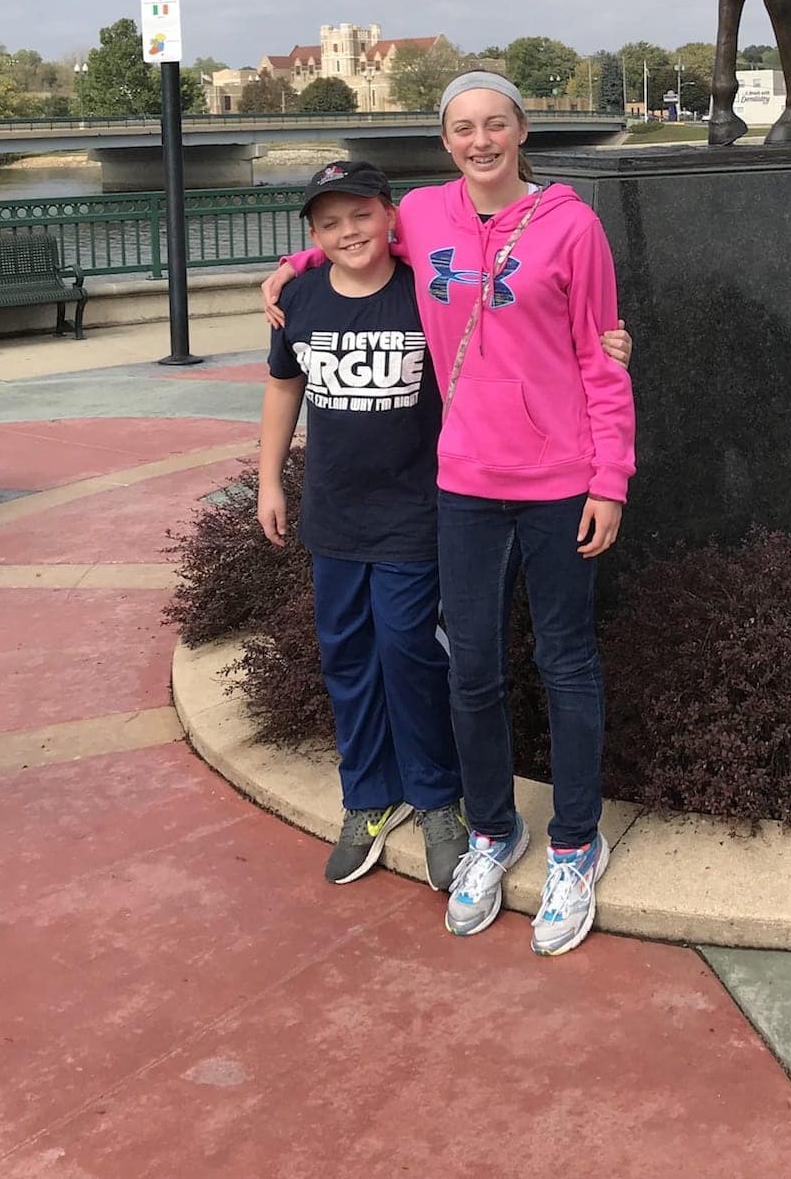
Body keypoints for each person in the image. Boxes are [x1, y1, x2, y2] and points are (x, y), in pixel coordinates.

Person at [262, 76, 634, 958]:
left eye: (494, 124)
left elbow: (602, 352)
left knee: (565, 660)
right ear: (445, 142)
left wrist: (609, 477)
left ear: (521, 130)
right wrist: (291, 268)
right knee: (470, 666)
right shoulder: (423, 213)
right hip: (462, 482)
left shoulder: (572, 225)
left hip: (558, 479)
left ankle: (577, 842)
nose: (480, 140)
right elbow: (351, 245)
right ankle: (492, 831)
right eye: (462, 128)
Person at [258, 159, 467, 890]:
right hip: (334, 517)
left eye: (361, 215)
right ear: (314, 235)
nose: (349, 232)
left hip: (416, 512)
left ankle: (439, 798)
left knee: (410, 651)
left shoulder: (426, 293)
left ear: (390, 216)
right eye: (329, 223)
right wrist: (268, 482)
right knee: (347, 657)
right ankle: (370, 799)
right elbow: (285, 388)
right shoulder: (302, 299)